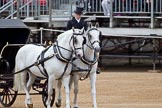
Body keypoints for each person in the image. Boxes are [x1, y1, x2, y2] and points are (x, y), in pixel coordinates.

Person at [66, 7, 101, 74]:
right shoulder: (70, 22)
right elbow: (67, 32)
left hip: (82, 40)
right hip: (74, 40)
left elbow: (85, 32)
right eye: (77, 14)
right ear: (74, 14)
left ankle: (95, 66)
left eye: (79, 14)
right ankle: (68, 65)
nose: (78, 16)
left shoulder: (84, 22)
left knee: (93, 48)